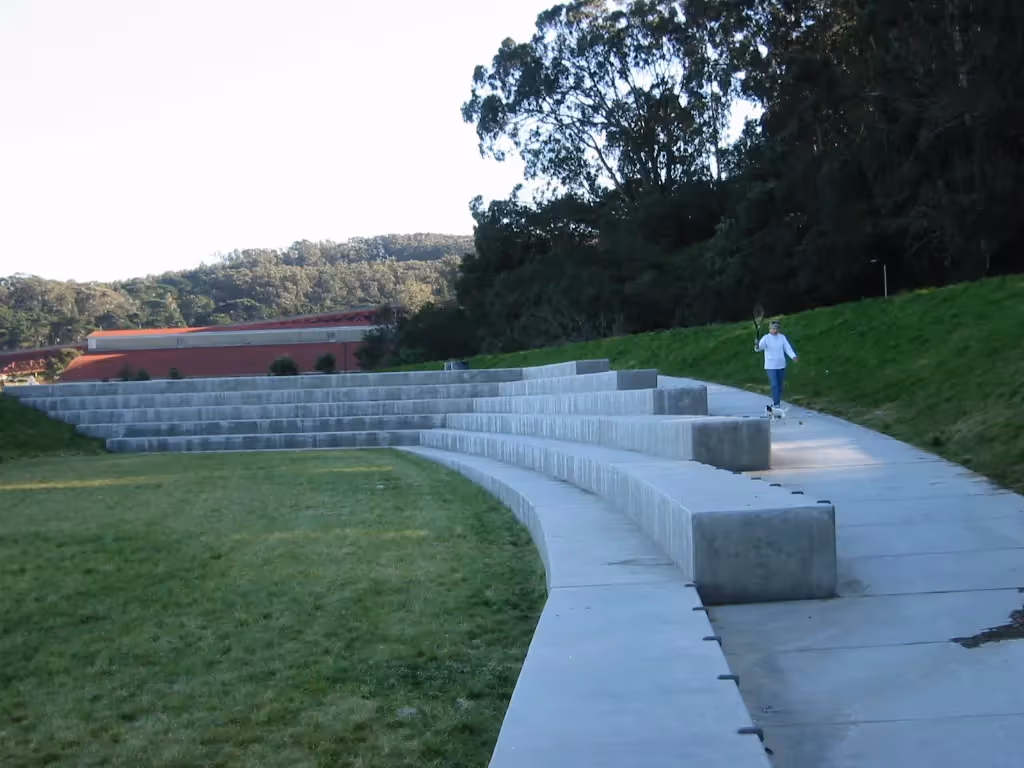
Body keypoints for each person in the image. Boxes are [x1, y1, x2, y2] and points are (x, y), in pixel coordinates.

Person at [754, 320, 798, 416]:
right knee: (774, 384)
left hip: (781, 364)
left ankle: (776, 399)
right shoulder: (766, 338)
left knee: (780, 385)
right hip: (770, 365)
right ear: (770, 329)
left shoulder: (782, 337)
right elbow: (760, 348)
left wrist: (793, 356)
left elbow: (787, 348)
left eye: (777, 328)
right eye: (773, 328)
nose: (775, 330)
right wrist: (757, 345)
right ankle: (776, 403)